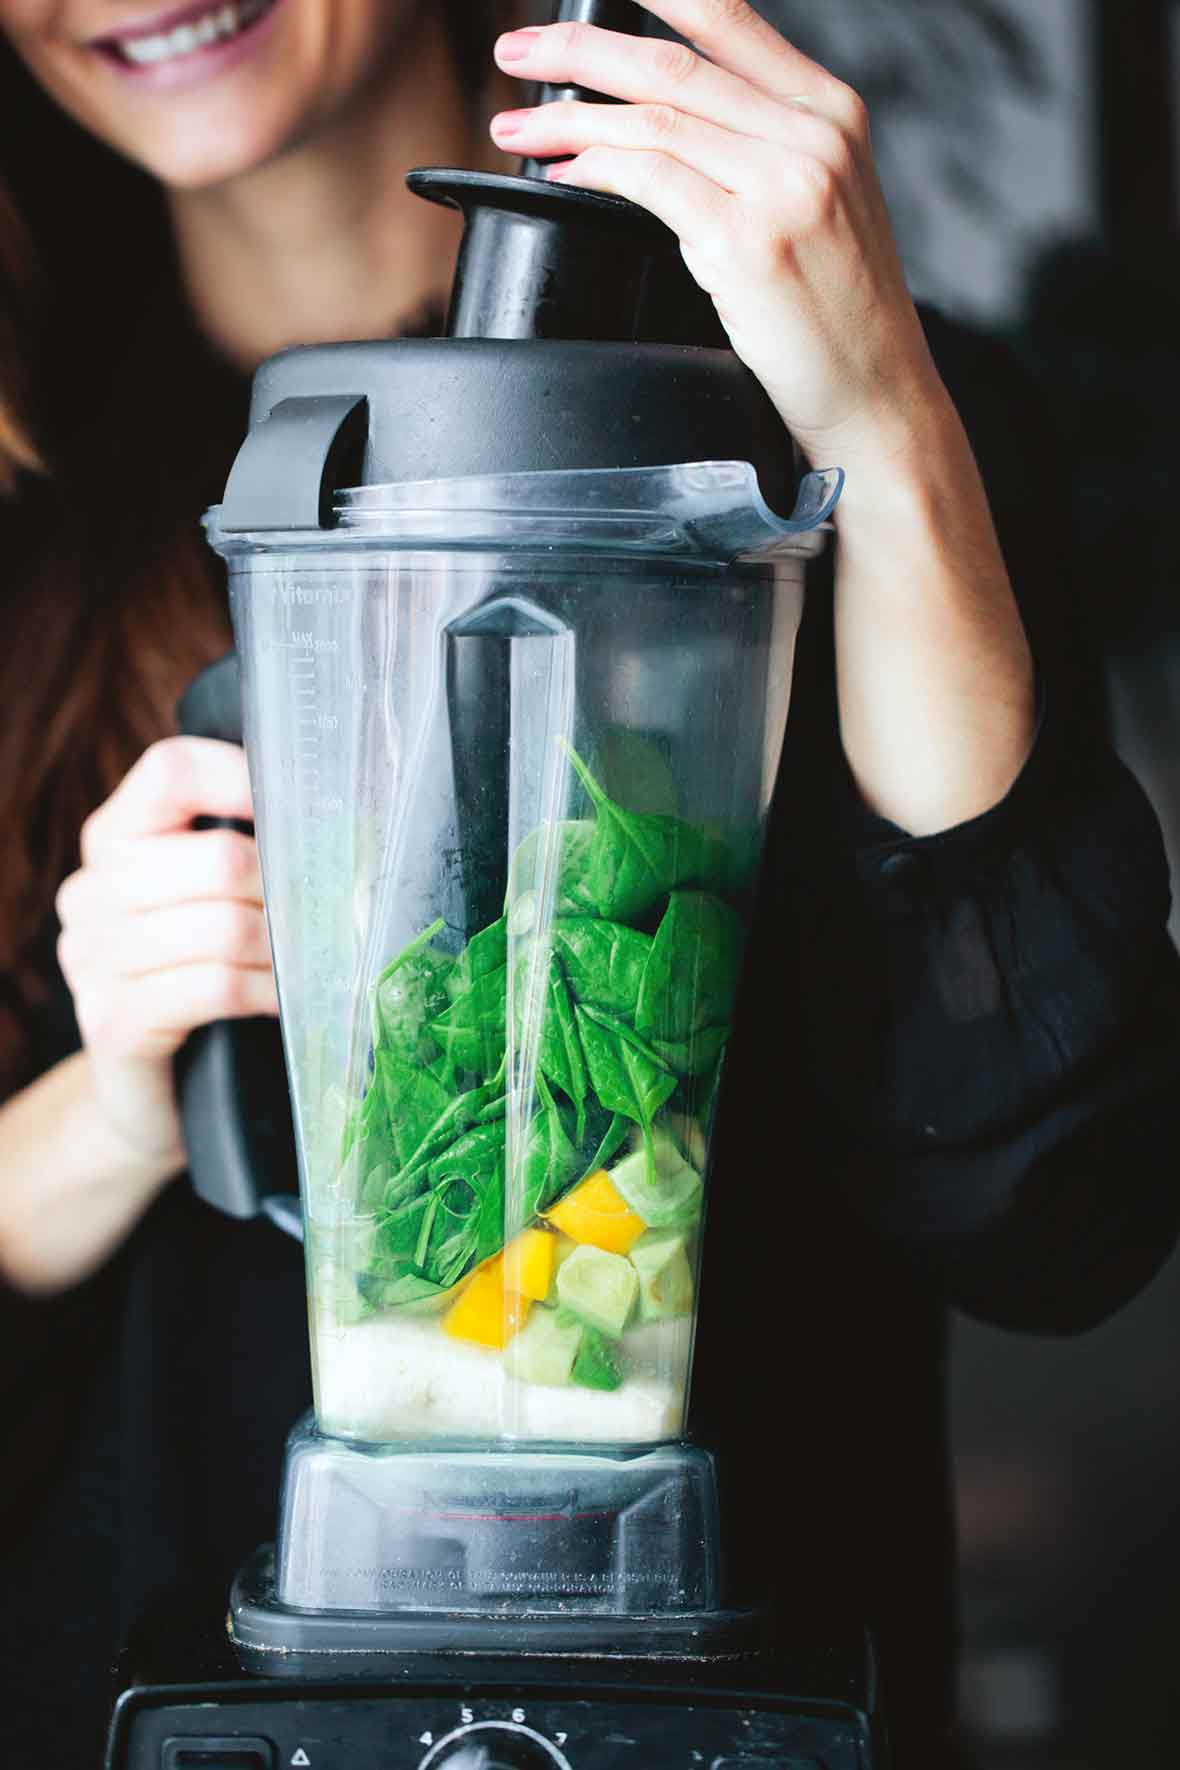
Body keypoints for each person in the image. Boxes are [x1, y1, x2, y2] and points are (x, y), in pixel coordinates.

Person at [0, 2, 1177, 1763]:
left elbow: (1059, 1210)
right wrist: (123, 1100)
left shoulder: (826, 420)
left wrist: (879, 413)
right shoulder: (25, 521)